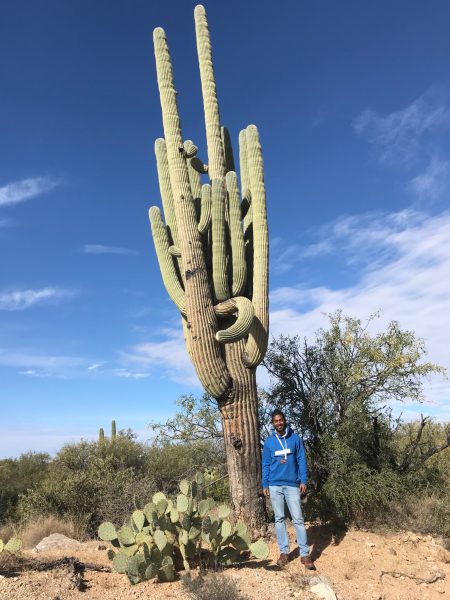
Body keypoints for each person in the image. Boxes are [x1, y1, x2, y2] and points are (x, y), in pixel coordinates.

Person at [262, 409, 315, 570]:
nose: (279, 423)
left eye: (281, 420)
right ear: (273, 424)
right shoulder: (269, 442)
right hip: (275, 484)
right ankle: (284, 552)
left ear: (285, 421)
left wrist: (303, 480)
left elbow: (302, 460)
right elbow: (265, 464)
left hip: (292, 484)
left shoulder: (295, 439)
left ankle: (305, 554)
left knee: (298, 519)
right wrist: (265, 484)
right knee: (279, 519)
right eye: (276, 421)